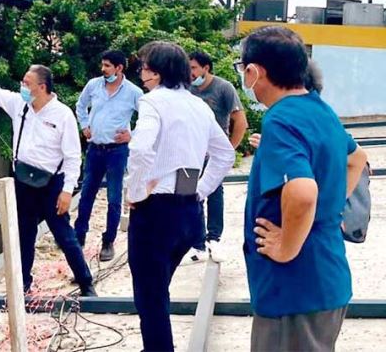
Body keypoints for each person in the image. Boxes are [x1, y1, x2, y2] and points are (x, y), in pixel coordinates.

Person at [237, 26, 368, 351]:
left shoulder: (280, 120)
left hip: (294, 290)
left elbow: (302, 191)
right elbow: (357, 159)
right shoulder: (319, 109)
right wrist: (329, 208)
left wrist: (287, 247)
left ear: (254, 71)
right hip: (326, 277)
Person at [0, 66, 97, 296]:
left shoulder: (62, 114)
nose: (22, 87)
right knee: (24, 233)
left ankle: (86, 283)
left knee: (63, 234)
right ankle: (22, 284)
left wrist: (67, 191)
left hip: (51, 183)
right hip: (24, 181)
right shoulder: (19, 104)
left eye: (27, 83)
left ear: (42, 87)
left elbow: (73, 156)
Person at [125, 41, 235, 352]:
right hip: (189, 210)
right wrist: (201, 190)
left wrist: (135, 191)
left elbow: (140, 149)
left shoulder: (153, 102)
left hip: (156, 212)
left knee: (150, 297)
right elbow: (225, 154)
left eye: (144, 68)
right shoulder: (198, 105)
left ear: (157, 72)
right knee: (158, 289)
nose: (141, 74)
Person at [74, 49, 143, 261]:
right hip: (95, 149)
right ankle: (78, 236)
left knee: (114, 198)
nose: (103, 69)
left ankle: (108, 241)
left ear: (119, 68)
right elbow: (80, 105)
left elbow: (148, 117)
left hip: (117, 151)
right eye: (102, 65)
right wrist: (84, 125)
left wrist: (132, 135)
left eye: (107, 66)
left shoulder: (133, 92)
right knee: (87, 194)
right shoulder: (93, 85)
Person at [184, 51, 248, 263]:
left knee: (214, 193)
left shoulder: (223, 88)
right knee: (187, 195)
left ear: (206, 68)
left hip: (213, 153)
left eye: (194, 68)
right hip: (190, 153)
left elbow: (241, 122)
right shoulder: (185, 89)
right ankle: (196, 243)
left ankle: (214, 238)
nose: (190, 72)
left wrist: (228, 151)